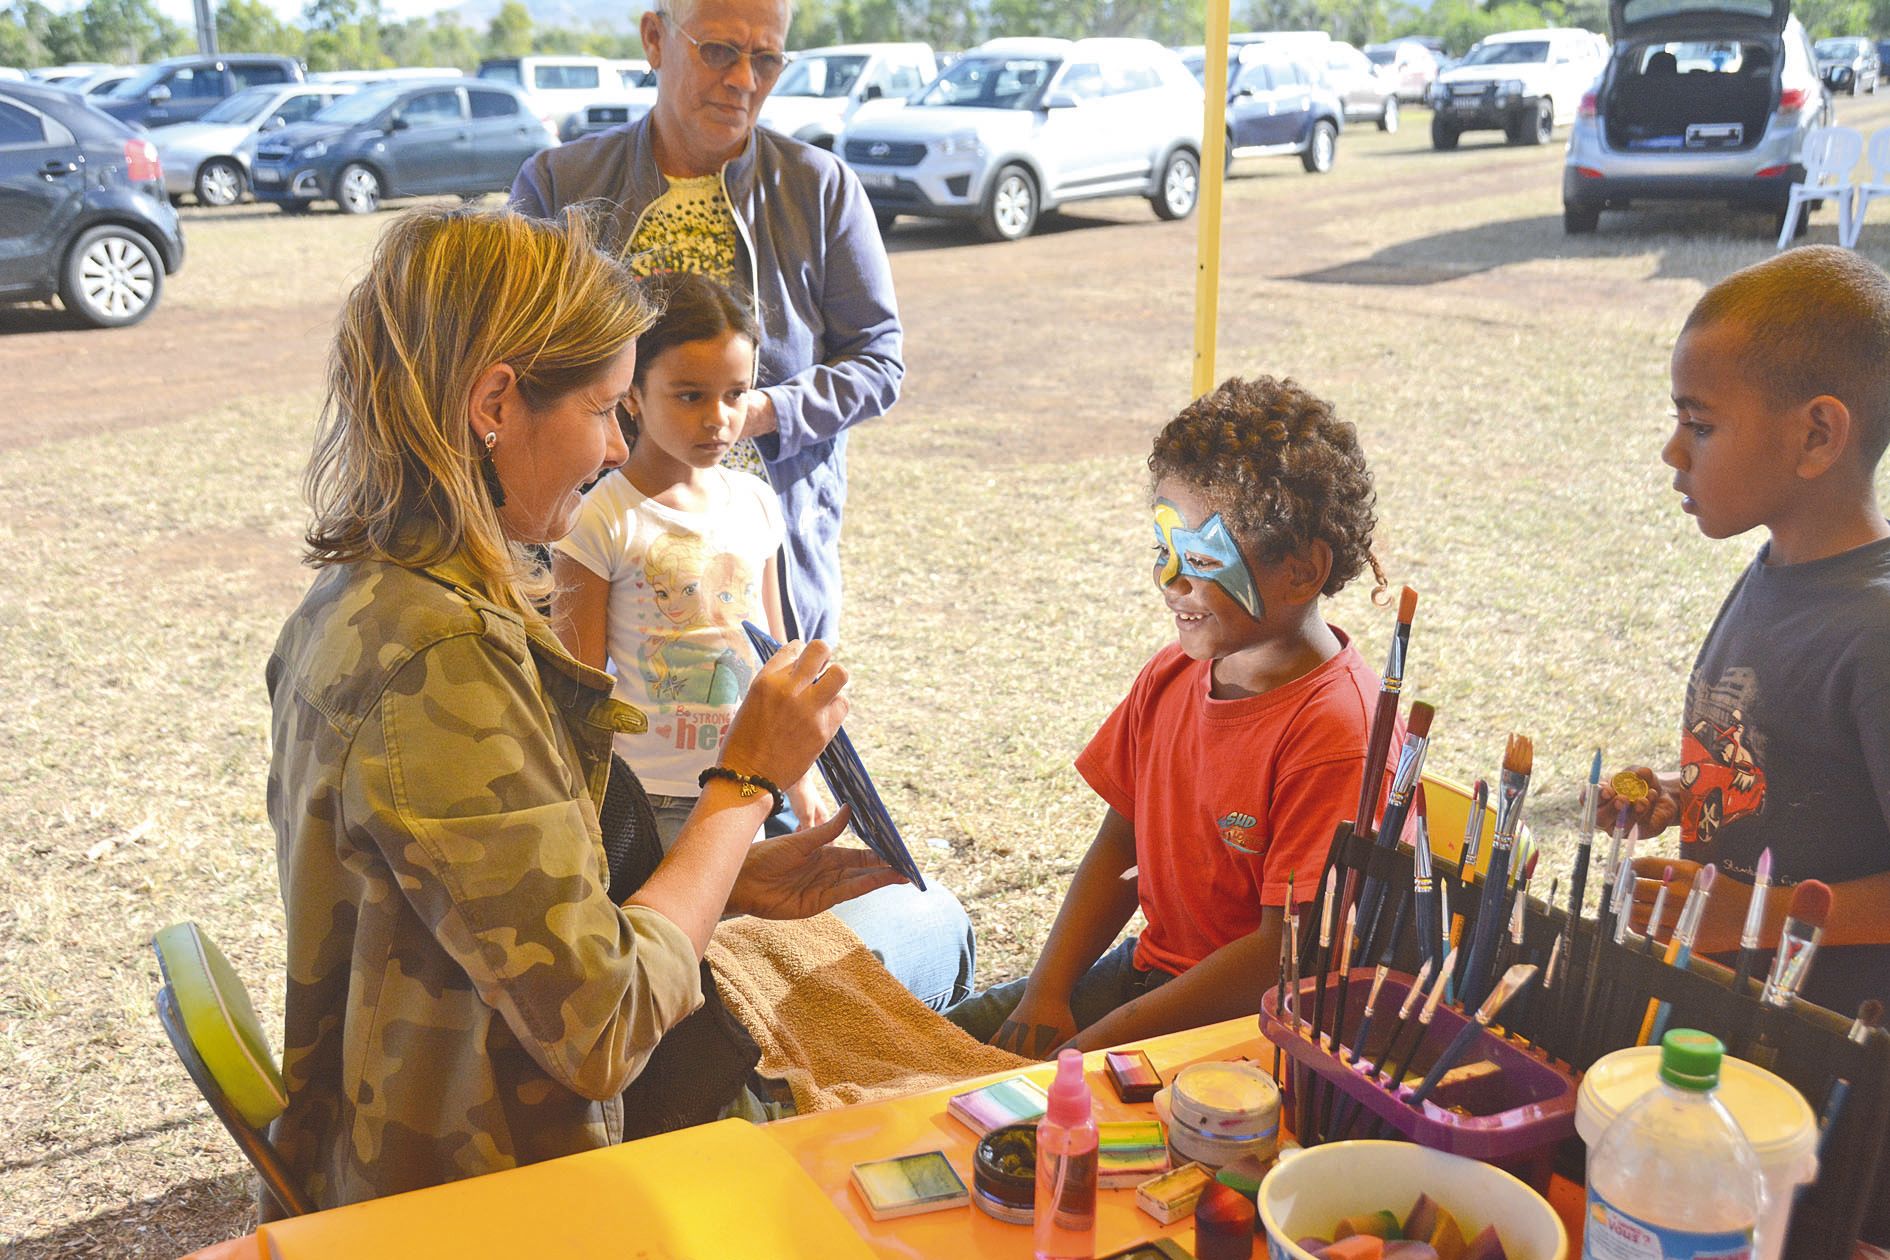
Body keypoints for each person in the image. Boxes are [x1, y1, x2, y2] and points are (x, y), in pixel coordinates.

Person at [265, 206, 907, 1213]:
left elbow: (493, 906)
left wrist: (722, 882)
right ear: (495, 404)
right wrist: (743, 786)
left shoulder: (373, 596)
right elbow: (602, 1026)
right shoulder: (440, 664)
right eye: (607, 408)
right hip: (480, 1200)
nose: (617, 447)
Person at [946, 376, 1397, 1057]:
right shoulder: (1173, 675)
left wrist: (1095, 1050)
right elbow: (1119, 847)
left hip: (1245, 1032)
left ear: (1301, 572)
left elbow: (1282, 958)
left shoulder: (1339, 734)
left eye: (1203, 559)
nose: (1170, 581)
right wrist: (1047, 991)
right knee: (928, 1051)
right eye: (1164, 551)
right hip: (1149, 977)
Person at [509, 0, 900, 648]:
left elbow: (879, 360)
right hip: (595, 540)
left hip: (758, 555)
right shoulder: (557, 184)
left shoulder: (821, 188)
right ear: (655, 40)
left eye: (767, 57)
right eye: (719, 51)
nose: (745, 79)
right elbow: (514, 359)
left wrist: (761, 409)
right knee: (587, 722)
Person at [1598, 245, 1890, 1018]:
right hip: (1727, 1018)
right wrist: (1678, 791)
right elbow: (1792, 770)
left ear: (1818, 436)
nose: (1673, 450)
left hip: (1825, 1071)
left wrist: (1753, 915)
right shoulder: (1773, 570)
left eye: (1700, 423)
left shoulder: (1877, 632)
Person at [552, 273, 828, 850]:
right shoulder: (600, 517)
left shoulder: (755, 500)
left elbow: (776, 652)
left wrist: (801, 779)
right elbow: (576, 688)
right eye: (689, 395)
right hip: (649, 799)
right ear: (632, 393)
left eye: (736, 393)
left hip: (756, 783)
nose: (718, 417)